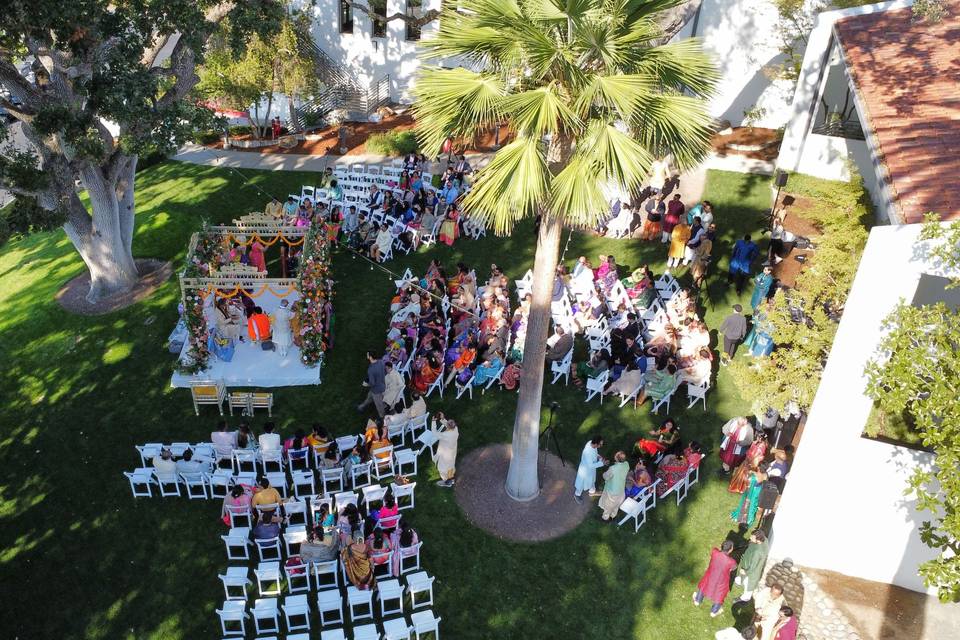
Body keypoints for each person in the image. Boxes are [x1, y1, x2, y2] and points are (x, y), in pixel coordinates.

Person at [693, 540, 738, 617]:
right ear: (731, 549)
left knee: (704, 585)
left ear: (721, 545)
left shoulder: (714, 552)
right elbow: (733, 568)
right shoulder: (732, 562)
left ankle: (697, 600)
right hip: (721, 581)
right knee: (720, 594)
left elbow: (715, 552)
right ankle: (714, 611)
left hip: (710, 575)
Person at [736, 530, 770, 601]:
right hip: (749, 563)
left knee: (748, 584)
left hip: (751, 573)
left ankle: (745, 598)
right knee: (742, 579)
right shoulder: (764, 540)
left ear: (758, 540)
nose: (750, 538)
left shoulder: (757, 552)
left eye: (753, 537)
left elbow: (753, 566)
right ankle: (739, 582)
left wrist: (745, 572)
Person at [574, 435, 606, 503]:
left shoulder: (591, 443)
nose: (601, 446)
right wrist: (602, 463)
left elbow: (594, 453)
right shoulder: (588, 452)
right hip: (585, 471)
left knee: (592, 480)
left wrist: (599, 457)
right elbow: (590, 465)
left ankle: (592, 491)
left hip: (590, 470)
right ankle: (577, 495)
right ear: (596, 444)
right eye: (600, 444)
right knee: (581, 484)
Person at [599, 451, 629, 521]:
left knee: (608, 506)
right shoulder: (626, 464)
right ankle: (613, 515)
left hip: (612, 491)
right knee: (617, 504)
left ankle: (605, 518)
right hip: (621, 489)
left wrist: (603, 473)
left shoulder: (613, 468)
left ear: (616, 458)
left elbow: (606, 477)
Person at [431, 413, 459, 487]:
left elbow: (434, 433)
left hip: (445, 454)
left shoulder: (445, 435)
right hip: (452, 451)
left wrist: (433, 422)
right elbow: (448, 424)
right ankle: (451, 478)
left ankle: (446, 482)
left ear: (448, 427)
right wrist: (442, 419)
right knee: (450, 466)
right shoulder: (455, 429)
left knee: (442, 469)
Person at [358, 351, 387, 416]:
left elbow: (372, 383)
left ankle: (383, 420)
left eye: (368, 355)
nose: (367, 355)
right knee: (369, 397)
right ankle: (361, 406)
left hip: (377, 391)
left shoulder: (371, 370)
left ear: (370, 357)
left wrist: (366, 384)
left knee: (380, 408)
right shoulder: (381, 362)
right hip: (383, 385)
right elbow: (384, 372)